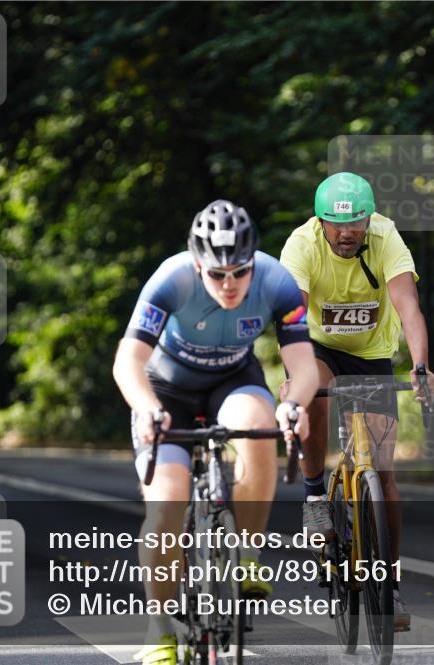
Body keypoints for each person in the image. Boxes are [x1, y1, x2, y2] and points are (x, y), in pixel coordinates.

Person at [112, 200, 318, 665]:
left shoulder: (277, 282)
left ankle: (246, 553)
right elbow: (129, 361)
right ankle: (159, 629)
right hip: (167, 390)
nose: (229, 284)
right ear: (197, 265)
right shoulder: (172, 278)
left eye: (239, 272)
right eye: (216, 274)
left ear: (253, 263)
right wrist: (146, 408)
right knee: (165, 505)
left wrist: (292, 405)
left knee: (258, 426)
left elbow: (302, 365)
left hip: (232, 378)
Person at [279, 172, 434, 632]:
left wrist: (421, 366)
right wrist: (295, 376)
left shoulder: (386, 236)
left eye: (356, 224)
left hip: (371, 354)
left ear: (369, 219)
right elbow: (291, 314)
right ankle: (313, 495)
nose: (346, 233)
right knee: (316, 397)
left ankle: (389, 583)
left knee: (384, 475)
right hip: (319, 348)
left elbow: (407, 304)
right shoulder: (301, 244)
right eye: (336, 224)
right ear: (321, 221)